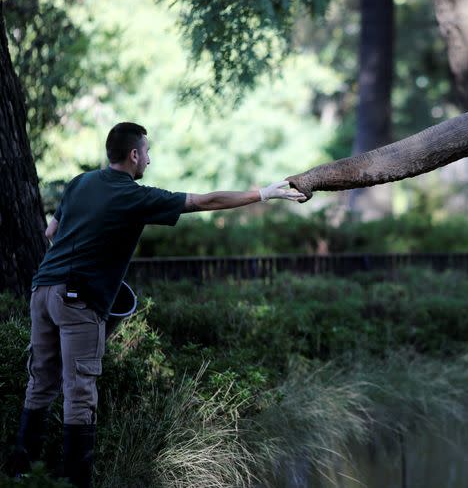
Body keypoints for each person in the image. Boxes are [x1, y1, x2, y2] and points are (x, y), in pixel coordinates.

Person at [8, 121, 305, 487]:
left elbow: (51, 232)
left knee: (39, 383)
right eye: (147, 152)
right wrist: (263, 194)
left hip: (42, 290)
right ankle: (74, 483)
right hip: (78, 299)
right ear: (134, 155)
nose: (149, 159)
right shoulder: (136, 196)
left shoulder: (79, 183)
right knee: (79, 392)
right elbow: (204, 201)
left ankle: (22, 475)